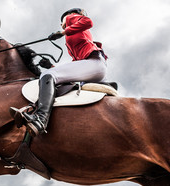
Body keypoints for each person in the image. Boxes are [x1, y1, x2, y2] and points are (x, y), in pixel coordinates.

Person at [11, 8, 108, 136]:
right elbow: (73, 72)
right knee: (54, 77)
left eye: (61, 21)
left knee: (46, 76)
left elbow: (88, 22)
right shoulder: (74, 40)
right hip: (93, 68)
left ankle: (40, 119)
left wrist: (63, 32)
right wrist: (50, 66)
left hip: (94, 64)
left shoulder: (70, 18)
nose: (62, 23)